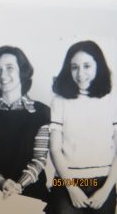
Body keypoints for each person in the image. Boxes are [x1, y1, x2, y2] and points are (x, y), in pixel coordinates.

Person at [0, 46, 50, 205]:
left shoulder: (42, 112)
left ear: (23, 72)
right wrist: (1, 182)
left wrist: (18, 186)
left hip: (30, 191)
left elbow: (39, 159)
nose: (3, 74)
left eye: (10, 68)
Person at [49, 40, 117, 214]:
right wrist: (71, 188)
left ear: (98, 66)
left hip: (102, 182)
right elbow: (55, 150)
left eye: (87, 66)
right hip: (65, 181)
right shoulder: (59, 101)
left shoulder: (111, 100)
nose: (80, 74)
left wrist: (107, 190)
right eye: (74, 67)